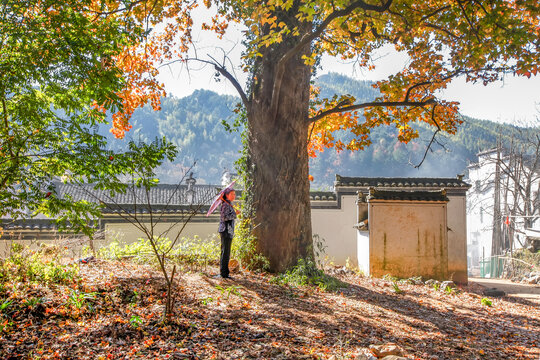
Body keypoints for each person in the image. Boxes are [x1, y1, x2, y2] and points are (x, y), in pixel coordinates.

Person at [218, 188, 238, 278]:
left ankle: (225, 273)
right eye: (232, 194)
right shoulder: (225, 205)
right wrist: (235, 214)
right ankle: (224, 273)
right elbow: (224, 218)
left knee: (226, 252)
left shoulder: (229, 204)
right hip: (225, 230)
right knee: (225, 252)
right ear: (227, 195)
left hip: (228, 231)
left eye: (234, 194)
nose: (234, 196)